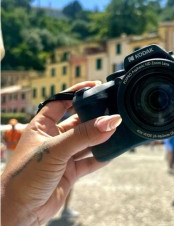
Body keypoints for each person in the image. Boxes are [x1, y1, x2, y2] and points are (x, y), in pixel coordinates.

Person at [1, 81, 122, 226]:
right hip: (19, 157)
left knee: (67, 179)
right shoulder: (10, 131)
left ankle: (66, 208)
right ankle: (66, 209)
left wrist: (19, 210)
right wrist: (21, 211)